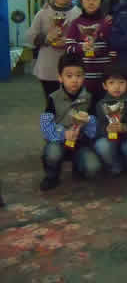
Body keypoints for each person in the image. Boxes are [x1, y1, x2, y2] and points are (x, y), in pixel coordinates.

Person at [39, 54, 101, 191]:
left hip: (81, 143)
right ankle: (52, 176)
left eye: (79, 75)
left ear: (84, 77)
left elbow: (94, 128)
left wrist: (88, 121)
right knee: (53, 153)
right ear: (60, 78)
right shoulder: (53, 98)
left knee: (93, 168)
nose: (74, 80)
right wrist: (63, 133)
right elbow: (46, 124)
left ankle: (78, 167)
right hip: (59, 141)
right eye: (69, 76)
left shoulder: (89, 97)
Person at [26, 0, 82, 107]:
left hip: (71, 66)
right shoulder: (43, 12)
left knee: (71, 102)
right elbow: (30, 36)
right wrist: (46, 38)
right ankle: (52, 120)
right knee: (51, 101)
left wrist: (68, 41)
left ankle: (69, 120)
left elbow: (84, 38)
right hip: (48, 66)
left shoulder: (78, 13)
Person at [65, 0, 113, 106]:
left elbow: (113, 47)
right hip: (83, 77)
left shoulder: (107, 22)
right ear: (81, 1)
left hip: (104, 77)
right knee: (84, 109)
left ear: (101, 1)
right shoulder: (76, 23)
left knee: (104, 109)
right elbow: (69, 48)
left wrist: (99, 47)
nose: (91, 2)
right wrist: (82, 47)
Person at [94, 65, 127, 175]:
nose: (116, 87)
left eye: (121, 82)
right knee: (101, 145)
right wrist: (107, 129)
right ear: (104, 86)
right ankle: (115, 166)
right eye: (111, 83)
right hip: (111, 139)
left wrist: (125, 127)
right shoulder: (101, 104)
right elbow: (99, 127)